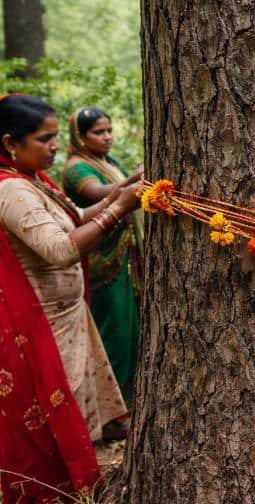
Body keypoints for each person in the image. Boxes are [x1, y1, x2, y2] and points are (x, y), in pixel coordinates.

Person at [0, 94, 141, 500]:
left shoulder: (32, 179)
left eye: (56, 136)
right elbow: (60, 248)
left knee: (72, 410)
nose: (55, 146)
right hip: (41, 325)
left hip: (65, 318)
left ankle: (79, 487)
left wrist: (124, 191)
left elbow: (75, 218)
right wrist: (119, 208)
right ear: (10, 143)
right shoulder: (11, 190)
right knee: (54, 416)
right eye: (44, 139)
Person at [62, 108, 144, 412]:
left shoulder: (109, 162)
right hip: (102, 261)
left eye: (109, 130)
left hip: (124, 257)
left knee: (132, 326)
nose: (107, 137)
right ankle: (109, 409)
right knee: (115, 329)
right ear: (80, 137)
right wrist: (136, 178)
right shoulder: (76, 168)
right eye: (98, 132)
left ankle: (130, 400)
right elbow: (99, 193)